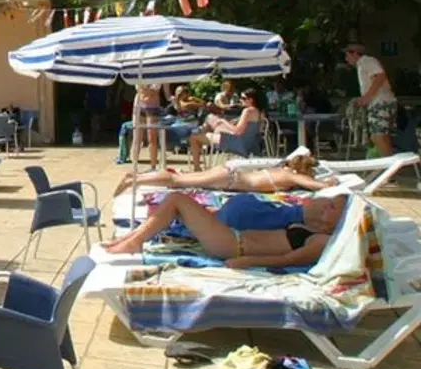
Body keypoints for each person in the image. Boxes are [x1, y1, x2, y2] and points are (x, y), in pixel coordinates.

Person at [101, 191, 348, 268]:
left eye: (334, 206)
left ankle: (133, 241)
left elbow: (286, 259)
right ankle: (132, 238)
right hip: (233, 238)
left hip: (233, 246)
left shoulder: (321, 242)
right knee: (175, 202)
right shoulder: (312, 228)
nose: (327, 205)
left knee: (177, 200)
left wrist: (244, 262)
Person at [113, 152, 340, 197]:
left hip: (231, 174)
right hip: (232, 179)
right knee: (177, 180)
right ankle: (136, 180)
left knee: (180, 178)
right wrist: (329, 181)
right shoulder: (292, 176)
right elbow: (317, 187)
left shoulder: (283, 169)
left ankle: (136, 178)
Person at [188, 88, 264, 169]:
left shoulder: (247, 111)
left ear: (251, 100)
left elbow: (237, 131)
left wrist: (224, 121)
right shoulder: (259, 112)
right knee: (212, 120)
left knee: (194, 138)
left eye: (243, 98)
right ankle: (206, 135)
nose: (241, 100)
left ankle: (197, 168)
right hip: (248, 144)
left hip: (236, 143)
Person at [347, 42, 397, 156]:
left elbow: (379, 76)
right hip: (381, 101)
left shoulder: (366, 61)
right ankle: (389, 161)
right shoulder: (362, 64)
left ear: (354, 53)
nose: (346, 59)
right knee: (382, 135)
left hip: (380, 102)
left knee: (377, 136)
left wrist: (367, 97)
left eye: (347, 55)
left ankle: (387, 164)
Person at [131, 82, 163, 169]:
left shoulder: (161, 72)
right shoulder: (140, 69)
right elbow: (139, 88)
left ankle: (153, 167)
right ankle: (134, 166)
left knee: (151, 136)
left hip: (153, 105)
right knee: (137, 136)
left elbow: (165, 92)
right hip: (139, 104)